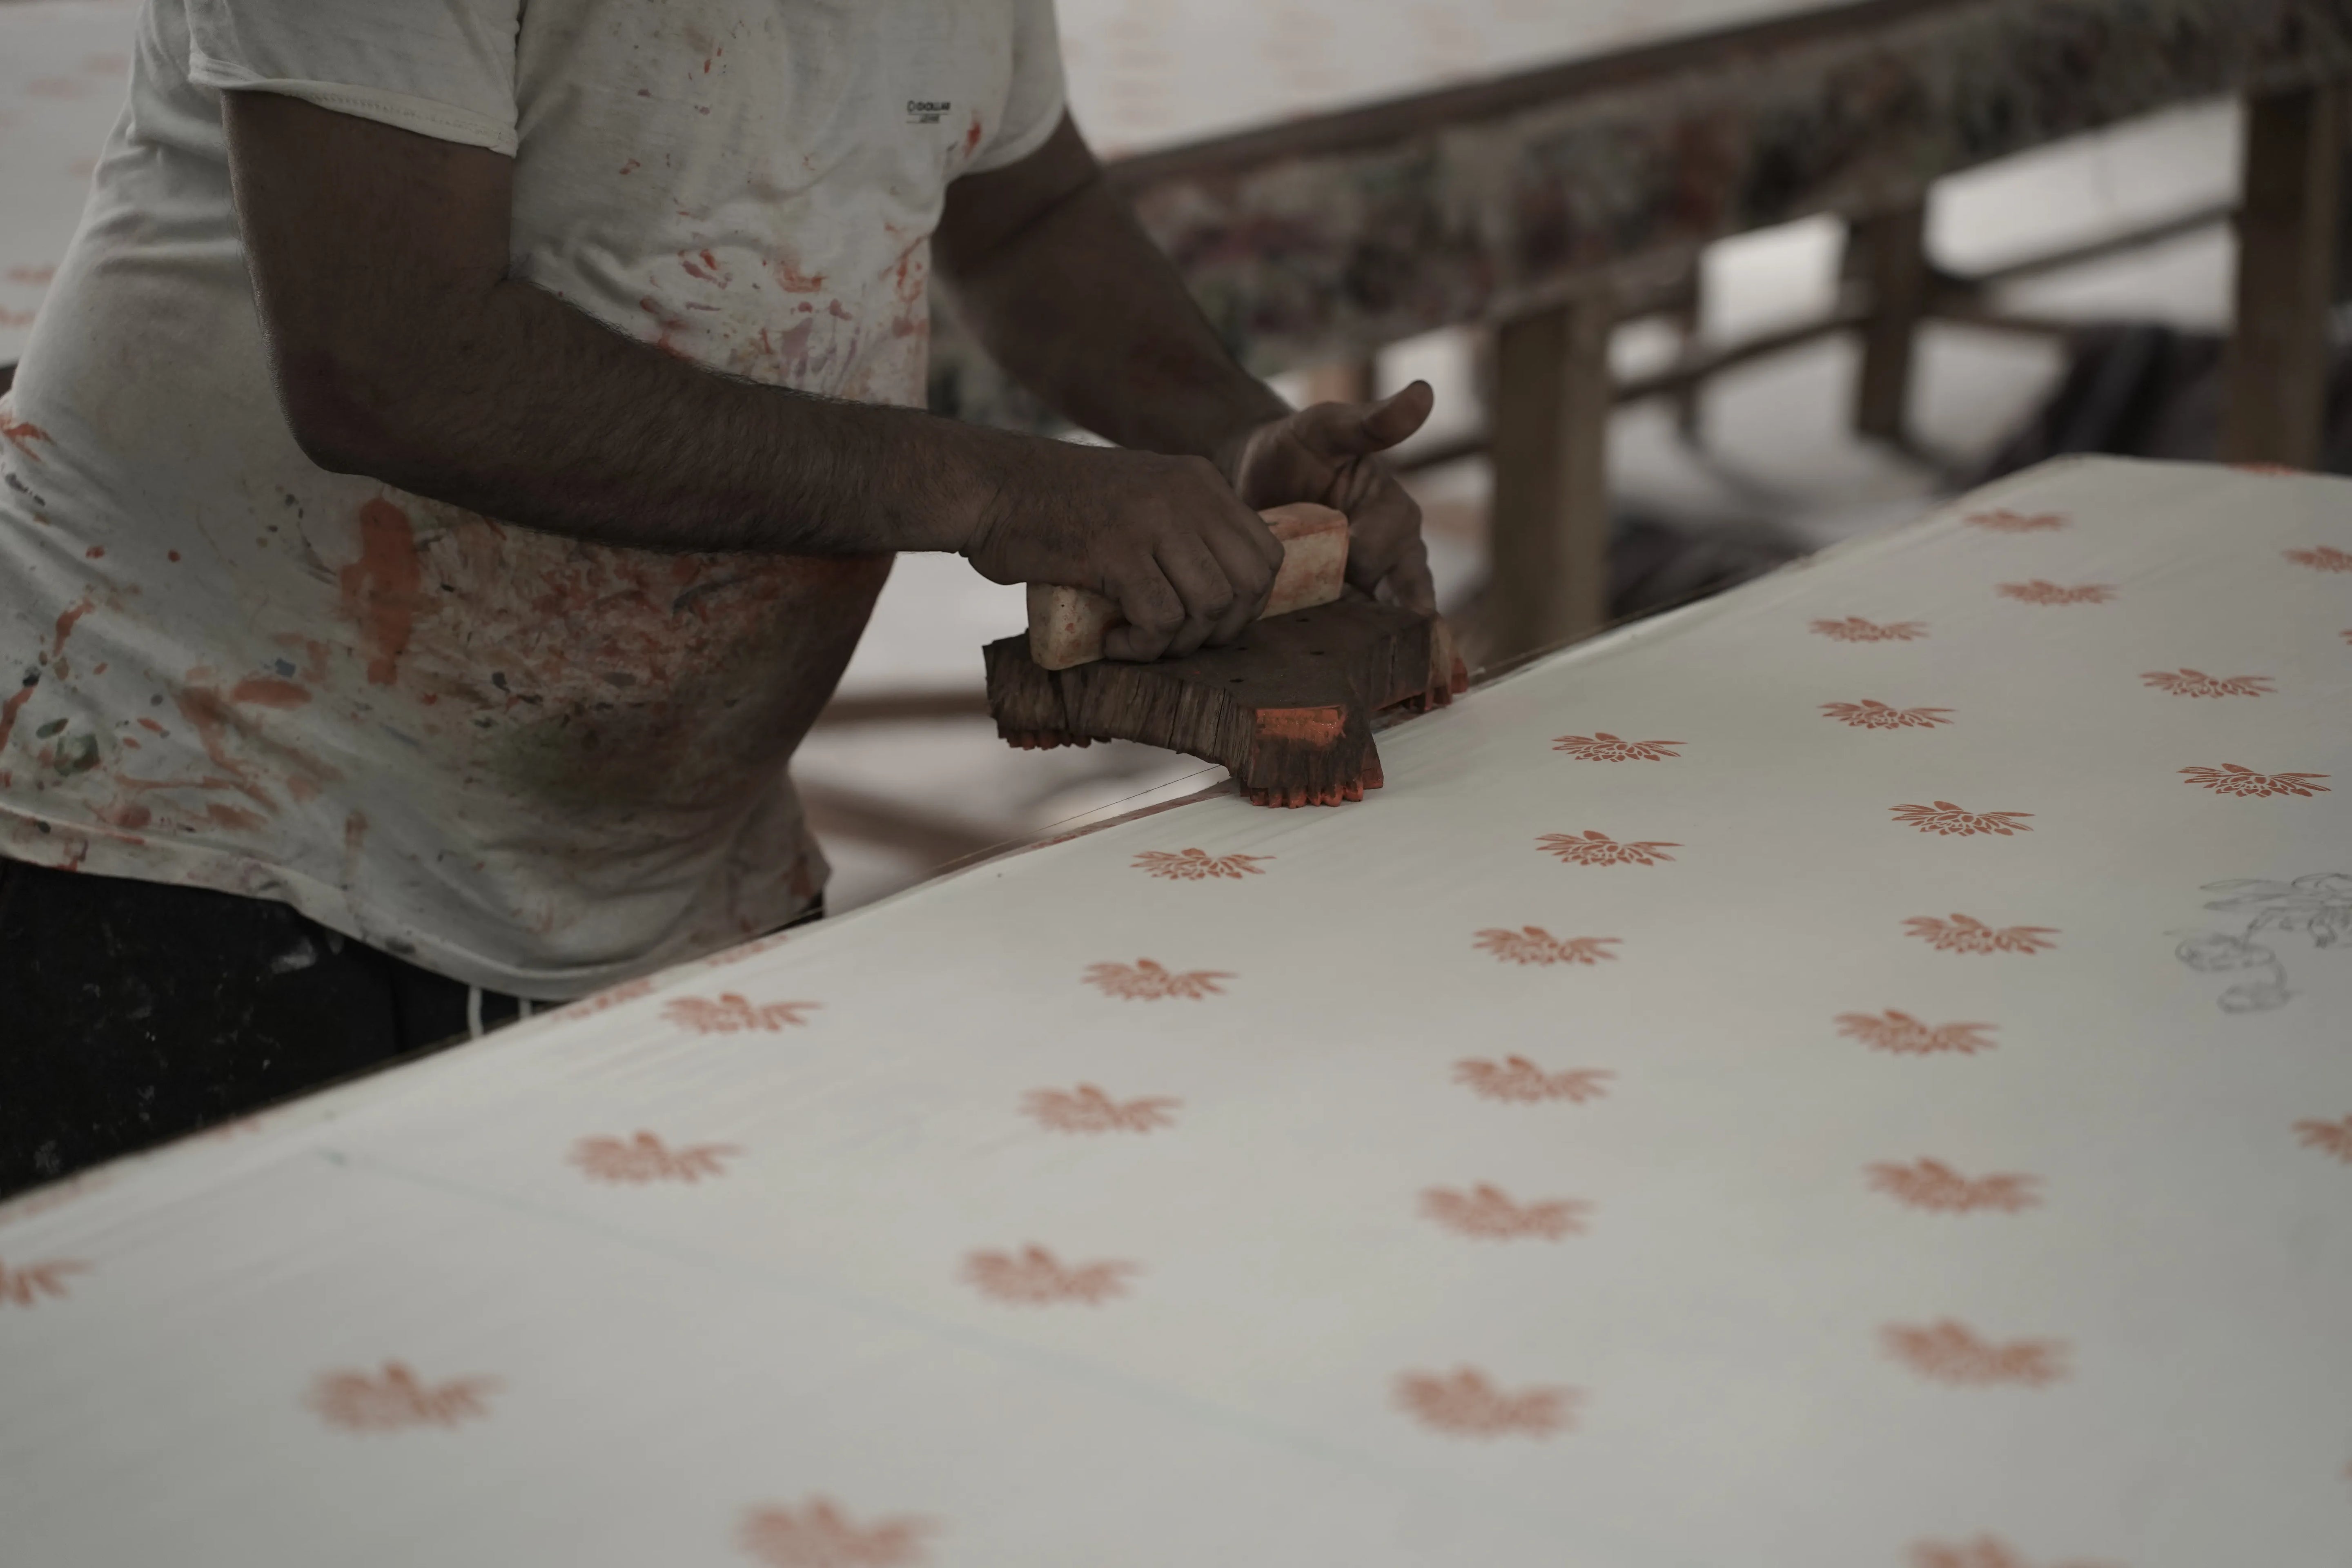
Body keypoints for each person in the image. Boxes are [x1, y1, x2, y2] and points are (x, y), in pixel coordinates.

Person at [0, 0, 1436, 1192]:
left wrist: (1234, 437)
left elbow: (1028, 213)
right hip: (206, 806)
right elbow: (393, 359)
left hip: (672, 853)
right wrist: (990, 489)